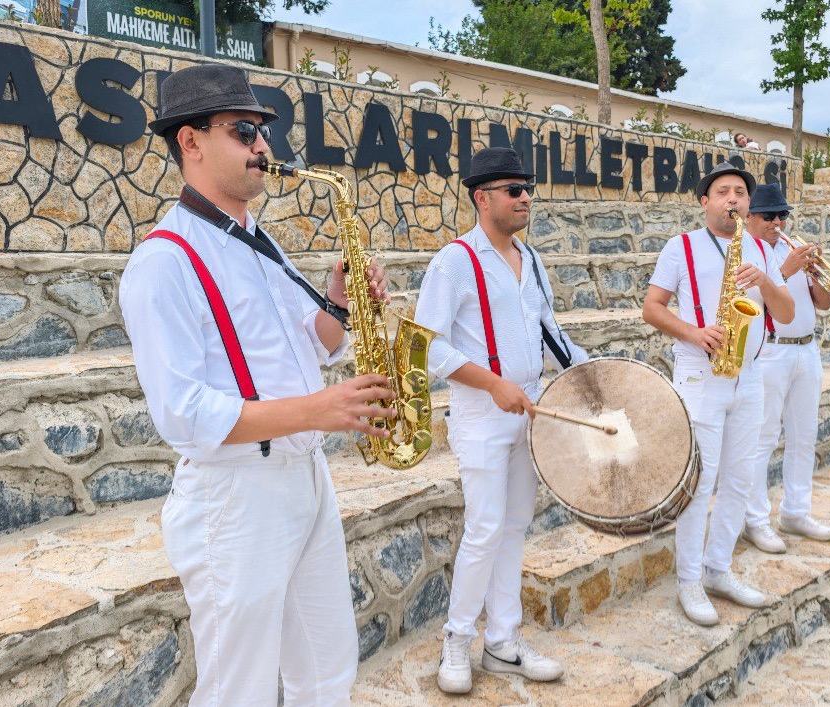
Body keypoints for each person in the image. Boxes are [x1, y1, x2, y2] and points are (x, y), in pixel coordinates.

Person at [119, 64, 394, 706]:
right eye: (244, 131)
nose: (263, 148)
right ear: (191, 142)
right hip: (235, 498)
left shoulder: (258, 241)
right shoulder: (163, 262)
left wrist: (339, 303)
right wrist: (318, 410)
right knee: (237, 691)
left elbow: (313, 349)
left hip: (304, 479)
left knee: (328, 670)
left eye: (262, 132)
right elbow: (183, 414)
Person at [416, 147, 589, 694]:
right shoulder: (453, 262)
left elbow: (550, 330)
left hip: (532, 409)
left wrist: (592, 374)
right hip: (481, 414)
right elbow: (427, 348)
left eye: (528, 188)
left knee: (514, 527)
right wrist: (493, 384)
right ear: (482, 197)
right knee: (485, 528)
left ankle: (503, 643)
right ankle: (456, 642)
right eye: (514, 190)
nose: (525, 198)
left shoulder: (530, 260)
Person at [641, 163, 795, 627]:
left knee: (740, 479)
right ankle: (689, 579)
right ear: (705, 202)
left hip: (748, 376)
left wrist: (765, 281)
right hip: (700, 375)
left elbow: (784, 314)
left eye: (741, 193)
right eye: (723, 192)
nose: (734, 199)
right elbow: (652, 307)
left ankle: (718, 569)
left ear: (749, 205)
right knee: (699, 483)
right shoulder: (681, 246)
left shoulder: (761, 251)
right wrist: (692, 332)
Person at [741, 183, 830, 554]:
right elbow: (751, 298)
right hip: (770, 351)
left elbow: (824, 303)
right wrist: (788, 267)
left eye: (783, 215)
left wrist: (818, 272)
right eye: (769, 216)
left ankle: (796, 511)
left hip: (806, 349)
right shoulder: (747, 252)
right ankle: (755, 519)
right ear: (750, 218)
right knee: (763, 438)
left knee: (804, 435)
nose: (777, 222)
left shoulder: (790, 248)